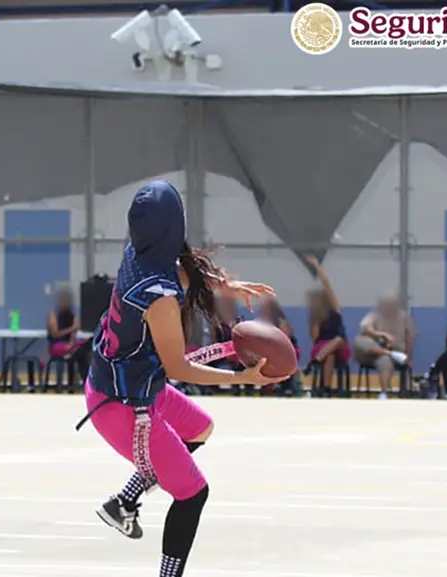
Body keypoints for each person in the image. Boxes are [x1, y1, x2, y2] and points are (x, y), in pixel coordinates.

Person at [79, 181, 282, 577]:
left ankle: (124, 502)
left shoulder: (138, 254)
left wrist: (227, 285)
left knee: (199, 429)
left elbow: (183, 270)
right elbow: (180, 368)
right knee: (192, 493)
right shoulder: (159, 299)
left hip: (133, 388)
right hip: (123, 408)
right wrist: (242, 378)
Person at [303, 254, 351, 397]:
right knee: (329, 355)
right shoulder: (315, 316)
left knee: (338, 340)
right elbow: (315, 338)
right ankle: (327, 388)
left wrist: (316, 265)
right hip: (322, 346)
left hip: (341, 345)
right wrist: (316, 319)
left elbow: (326, 283)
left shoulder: (335, 308)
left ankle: (315, 362)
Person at [353, 294, 413, 399]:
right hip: (370, 352)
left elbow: (409, 338)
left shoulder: (403, 318)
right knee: (359, 340)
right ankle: (385, 352)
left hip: (391, 354)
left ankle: (383, 394)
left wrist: (408, 357)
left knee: (385, 360)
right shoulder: (373, 316)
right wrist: (380, 335)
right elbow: (365, 329)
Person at [256, 297, 299, 396]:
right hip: (269, 351)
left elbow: (286, 339)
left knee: (277, 356)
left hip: (287, 350)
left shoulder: (281, 321)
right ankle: (266, 385)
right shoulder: (260, 322)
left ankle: (286, 385)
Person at [46, 286, 83, 392]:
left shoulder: (72, 315)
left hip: (69, 344)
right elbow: (55, 334)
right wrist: (72, 328)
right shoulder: (53, 314)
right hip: (56, 344)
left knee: (82, 350)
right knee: (67, 351)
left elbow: (74, 333)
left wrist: (71, 342)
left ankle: (76, 383)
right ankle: (59, 384)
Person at [208, 293, 243, 396]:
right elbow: (213, 340)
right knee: (210, 362)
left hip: (234, 350)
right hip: (220, 350)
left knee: (240, 362)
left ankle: (238, 387)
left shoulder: (237, 321)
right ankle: (212, 388)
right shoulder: (215, 323)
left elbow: (238, 340)